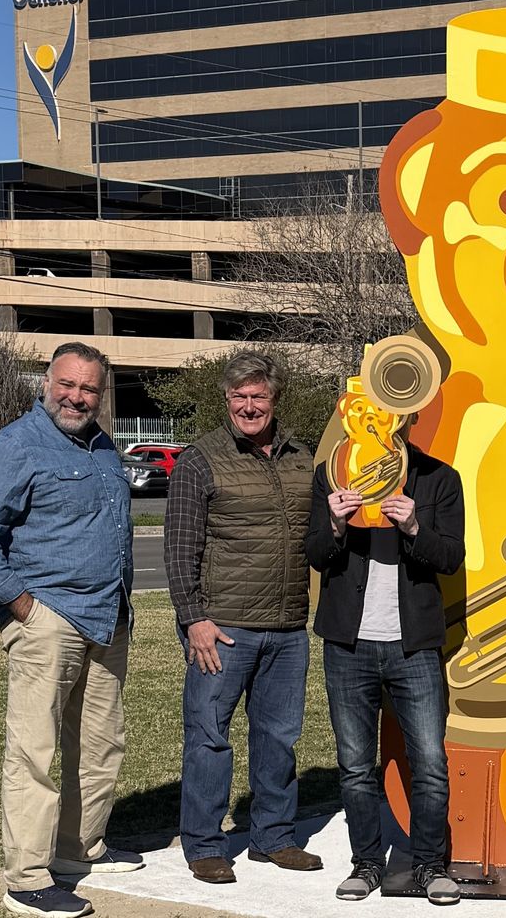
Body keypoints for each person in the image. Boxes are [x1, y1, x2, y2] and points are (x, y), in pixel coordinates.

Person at [0, 342, 143, 918]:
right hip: (49, 618)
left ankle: (76, 850)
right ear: (46, 382)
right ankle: (27, 879)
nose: (76, 397)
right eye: (68, 384)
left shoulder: (103, 447)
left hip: (106, 617)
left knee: (98, 744)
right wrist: (23, 606)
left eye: (89, 389)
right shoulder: (16, 445)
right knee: (34, 751)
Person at [163, 351, 321, 885]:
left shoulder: (303, 458)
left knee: (279, 735)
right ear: (226, 401)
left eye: (258, 397)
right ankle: (205, 844)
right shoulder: (200, 459)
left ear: (275, 402)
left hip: (287, 627)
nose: (248, 406)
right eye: (239, 397)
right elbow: (180, 547)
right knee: (209, 736)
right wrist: (193, 619)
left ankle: (273, 836)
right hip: (222, 629)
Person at [306, 428, 466, 906]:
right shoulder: (330, 473)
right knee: (355, 767)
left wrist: (416, 528)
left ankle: (429, 865)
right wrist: (334, 526)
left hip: (413, 644)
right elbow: (313, 555)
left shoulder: (439, 477)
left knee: (431, 765)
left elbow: (452, 559)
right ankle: (367, 863)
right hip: (348, 645)